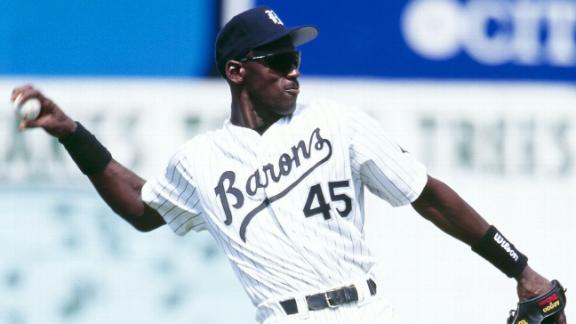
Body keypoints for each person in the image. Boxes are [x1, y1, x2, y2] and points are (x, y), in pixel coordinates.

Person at [10, 6, 566, 324]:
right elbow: (142, 207)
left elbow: (430, 197)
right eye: (276, 60)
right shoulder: (200, 160)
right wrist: (74, 136)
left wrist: (519, 269)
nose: (291, 71)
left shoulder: (337, 123)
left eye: (294, 58)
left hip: (366, 310)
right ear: (236, 73)